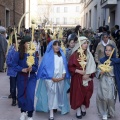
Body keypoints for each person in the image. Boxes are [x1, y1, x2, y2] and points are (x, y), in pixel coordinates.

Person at [35, 40, 70, 120]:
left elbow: (64, 65)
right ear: (51, 46)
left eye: (58, 45)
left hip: (60, 79)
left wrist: (63, 75)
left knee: (59, 93)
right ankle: (51, 113)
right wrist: (51, 77)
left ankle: (56, 108)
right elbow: (44, 69)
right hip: (50, 79)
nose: (57, 46)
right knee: (51, 94)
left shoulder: (62, 55)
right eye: (55, 45)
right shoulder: (47, 56)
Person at [68, 36, 96, 119]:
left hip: (87, 78)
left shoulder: (89, 54)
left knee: (87, 94)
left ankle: (83, 106)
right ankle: (78, 110)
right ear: (79, 44)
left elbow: (92, 66)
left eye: (87, 43)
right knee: (78, 94)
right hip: (77, 78)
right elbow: (70, 67)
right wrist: (78, 71)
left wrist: (88, 74)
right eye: (84, 43)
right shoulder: (74, 55)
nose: (86, 45)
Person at [13, 36, 38, 120]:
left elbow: (36, 66)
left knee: (30, 95)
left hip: (31, 77)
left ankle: (30, 114)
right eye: (27, 43)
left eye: (30, 43)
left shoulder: (34, 53)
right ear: (24, 44)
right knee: (21, 95)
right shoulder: (18, 53)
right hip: (21, 77)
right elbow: (14, 65)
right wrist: (22, 69)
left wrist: (32, 68)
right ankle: (23, 112)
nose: (29, 44)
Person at [96, 44, 120, 120]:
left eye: (110, 50)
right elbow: (97, 71)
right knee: (103, 97)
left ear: (113, 51)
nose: (107, 52)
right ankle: (104, 113)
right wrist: (100, 72)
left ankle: (110, 112)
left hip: (112, 82)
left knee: (111, 98)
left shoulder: (116, 61)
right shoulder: (102, 60)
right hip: (103, 80)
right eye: (106, 50)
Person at [6, 35, 21, 106]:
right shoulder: (10, 52)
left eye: (20, 43)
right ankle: (14, 99)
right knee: (13, 87)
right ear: (14, 44)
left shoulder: (22, 52)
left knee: (20, 86)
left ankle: (19, 98)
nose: (19, 44)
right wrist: (15, 64)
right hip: (12, 72)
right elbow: (8, 62)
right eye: (17, 43)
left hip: (20, 72)